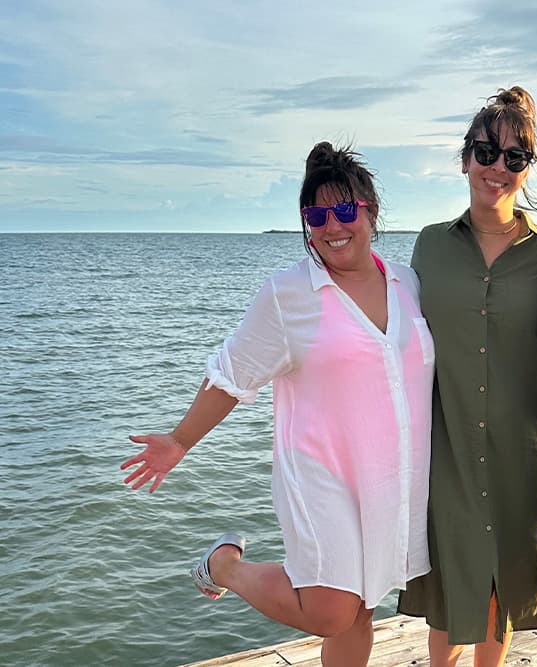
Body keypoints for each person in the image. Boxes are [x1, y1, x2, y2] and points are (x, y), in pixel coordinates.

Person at [120, 142, 435, 667]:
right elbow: (232, 374)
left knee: (362, 606)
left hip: (391, 476)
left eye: (344, 210)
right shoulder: (290, 293)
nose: (332, 226)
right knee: (332, 610)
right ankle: (225, 566)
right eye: (316, 215)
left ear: (370, 212)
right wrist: (179, 440)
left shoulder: (409, 284)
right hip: (320, 474)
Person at [396, 86, 537, 667]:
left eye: (514, 158)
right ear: (464, 157)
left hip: (522, 444)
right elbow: (388, 328)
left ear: (527, 169)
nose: (497, 168)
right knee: (450, 588)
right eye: (485, 152)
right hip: (446, 444)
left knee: (503, 587)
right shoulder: (430, 246)